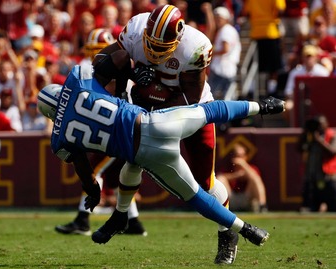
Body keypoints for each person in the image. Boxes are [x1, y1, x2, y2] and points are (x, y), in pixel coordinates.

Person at [37, 60, 284, 256]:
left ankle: (247, 229)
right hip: (153, 124)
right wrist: (129, 80)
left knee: (194, 195)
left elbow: (85, 173)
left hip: (144, 154)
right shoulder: (76, 79)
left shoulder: (59, 140)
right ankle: (263, 106)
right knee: (209, 111)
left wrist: (93, 192)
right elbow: (112, 63)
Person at [92, 4, 242, 265]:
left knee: (205, 182)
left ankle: (227, 234)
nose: (153, 52)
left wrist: (151, 87)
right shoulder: (136, 29)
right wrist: (128, 72)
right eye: (150, 44)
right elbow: (103, 64)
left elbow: (189, 99)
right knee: (133, 160)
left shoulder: (194, 47)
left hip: (195, 111)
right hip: (150, 105)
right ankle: (120, 216)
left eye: (162, 48)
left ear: (178, 39)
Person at [55, 28, 147, 237]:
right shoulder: (98, 72)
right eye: (93, 50)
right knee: (115, 178)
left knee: (93, 170)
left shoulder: (112, 73)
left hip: (118, 130)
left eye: (100, 50)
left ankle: (82, 218)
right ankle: (133, 222)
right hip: (118, 129)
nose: (96, 55)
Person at [298, 114, 336, 212]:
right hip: (312, 175)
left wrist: (319, 140)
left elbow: (332, 152)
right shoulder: (310, 136)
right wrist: (305, 133)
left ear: (326, 124)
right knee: (311, 205)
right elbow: (299, 148)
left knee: (332, 204)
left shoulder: (331, 134)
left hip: (327, 175)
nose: (318, 126)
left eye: (320, 124)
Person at [217, 142, 268, 213]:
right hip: (231, 199)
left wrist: (244, 165)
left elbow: (255, 177)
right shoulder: (227, 169)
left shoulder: (251, 168)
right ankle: (218, 210)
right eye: (237, 156)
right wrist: (236, 175)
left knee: (255, 178)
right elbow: (219, 178)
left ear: (246, 156)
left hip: (247, 199)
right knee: (221, 179)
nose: (239, 159)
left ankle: (262, 207)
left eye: (241, 156)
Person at [207, 6, 241, 100]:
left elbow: (225, 49)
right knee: (226, 98)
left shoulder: (226, 30)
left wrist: (210, 53)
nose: (217, 20)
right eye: (216, 18)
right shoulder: (227, 29)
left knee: (211, 97)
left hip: (221, 68)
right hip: (226, 69)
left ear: (226, 18)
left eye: (220, 18)